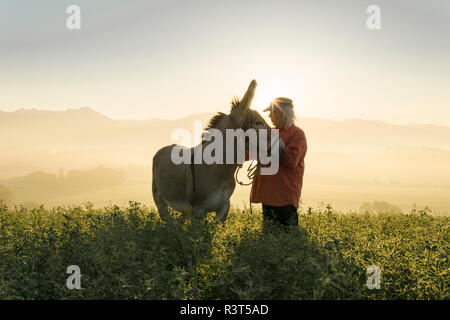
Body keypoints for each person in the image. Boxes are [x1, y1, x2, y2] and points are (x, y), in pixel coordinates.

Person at [251, 97, 307, 230]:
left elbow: (292, 160)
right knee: (270, 238)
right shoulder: (269, 133)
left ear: (283, 113)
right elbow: (252, 152)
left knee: (287, 239)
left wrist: (272, 143)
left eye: (273, 112)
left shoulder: (297, 134)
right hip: (267, 196)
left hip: (285, 198)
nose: (269, 115)